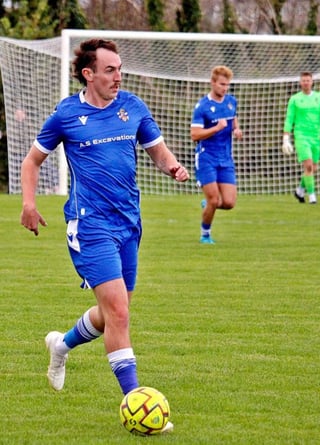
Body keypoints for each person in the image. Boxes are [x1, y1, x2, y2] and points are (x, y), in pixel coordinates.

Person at [20, 38, 189, 433]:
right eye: (110, 69)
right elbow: (32, 161)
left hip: (129, 223)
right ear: (89, 74)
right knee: (120, 313)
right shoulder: (66, 114)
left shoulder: (133, 107)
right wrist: (29, 204)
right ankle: (137, 403)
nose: (118, 76)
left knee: (112, 312)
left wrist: (173, 167)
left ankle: (61, 345)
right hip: (89, 224)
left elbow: (158, 151)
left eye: (120, 69)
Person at [191, 65, 243, 244]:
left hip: (226, 158)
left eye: (227, 85)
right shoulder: (202, 107)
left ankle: (209, 205)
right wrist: (216, 128)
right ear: (213, 83)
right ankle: (205, 235)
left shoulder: (231, 102)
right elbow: (195, 135)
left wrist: (236, 130)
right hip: (207, 158)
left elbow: (233, 121)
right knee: (214, 199)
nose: (225, 88)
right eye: (222, 84)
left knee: (229, 203)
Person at [282, 71, 320, 204]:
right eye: (303, 80)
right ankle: (312, 196)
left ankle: (300, 190)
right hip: (301, 136)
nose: (306, 83)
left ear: (312, 82)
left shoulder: (319, 97)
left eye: (308, 80)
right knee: (309, 166)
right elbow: (289, 118)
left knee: (313, 168)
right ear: (300, 82)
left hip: (315, 137)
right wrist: (286, 137)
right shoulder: (295, 99)